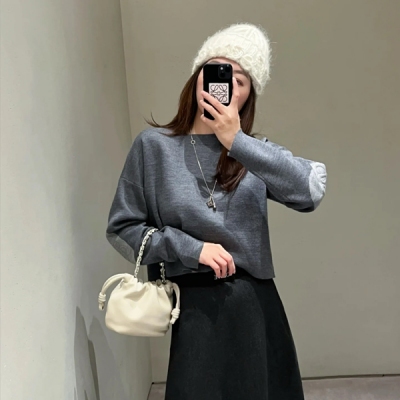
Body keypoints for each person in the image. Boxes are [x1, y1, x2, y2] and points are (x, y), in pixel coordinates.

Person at [106, 23, 327, 400]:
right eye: (216, 71)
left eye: (239, 80)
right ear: (197, 78)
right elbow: (122, 228)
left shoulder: (253, 152)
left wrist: (237, 142)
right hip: (193, 311)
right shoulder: (154, 147)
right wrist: (191, 248)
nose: (226, 85)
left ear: (248, 95)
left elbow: (310, 189)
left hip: (255, 307)